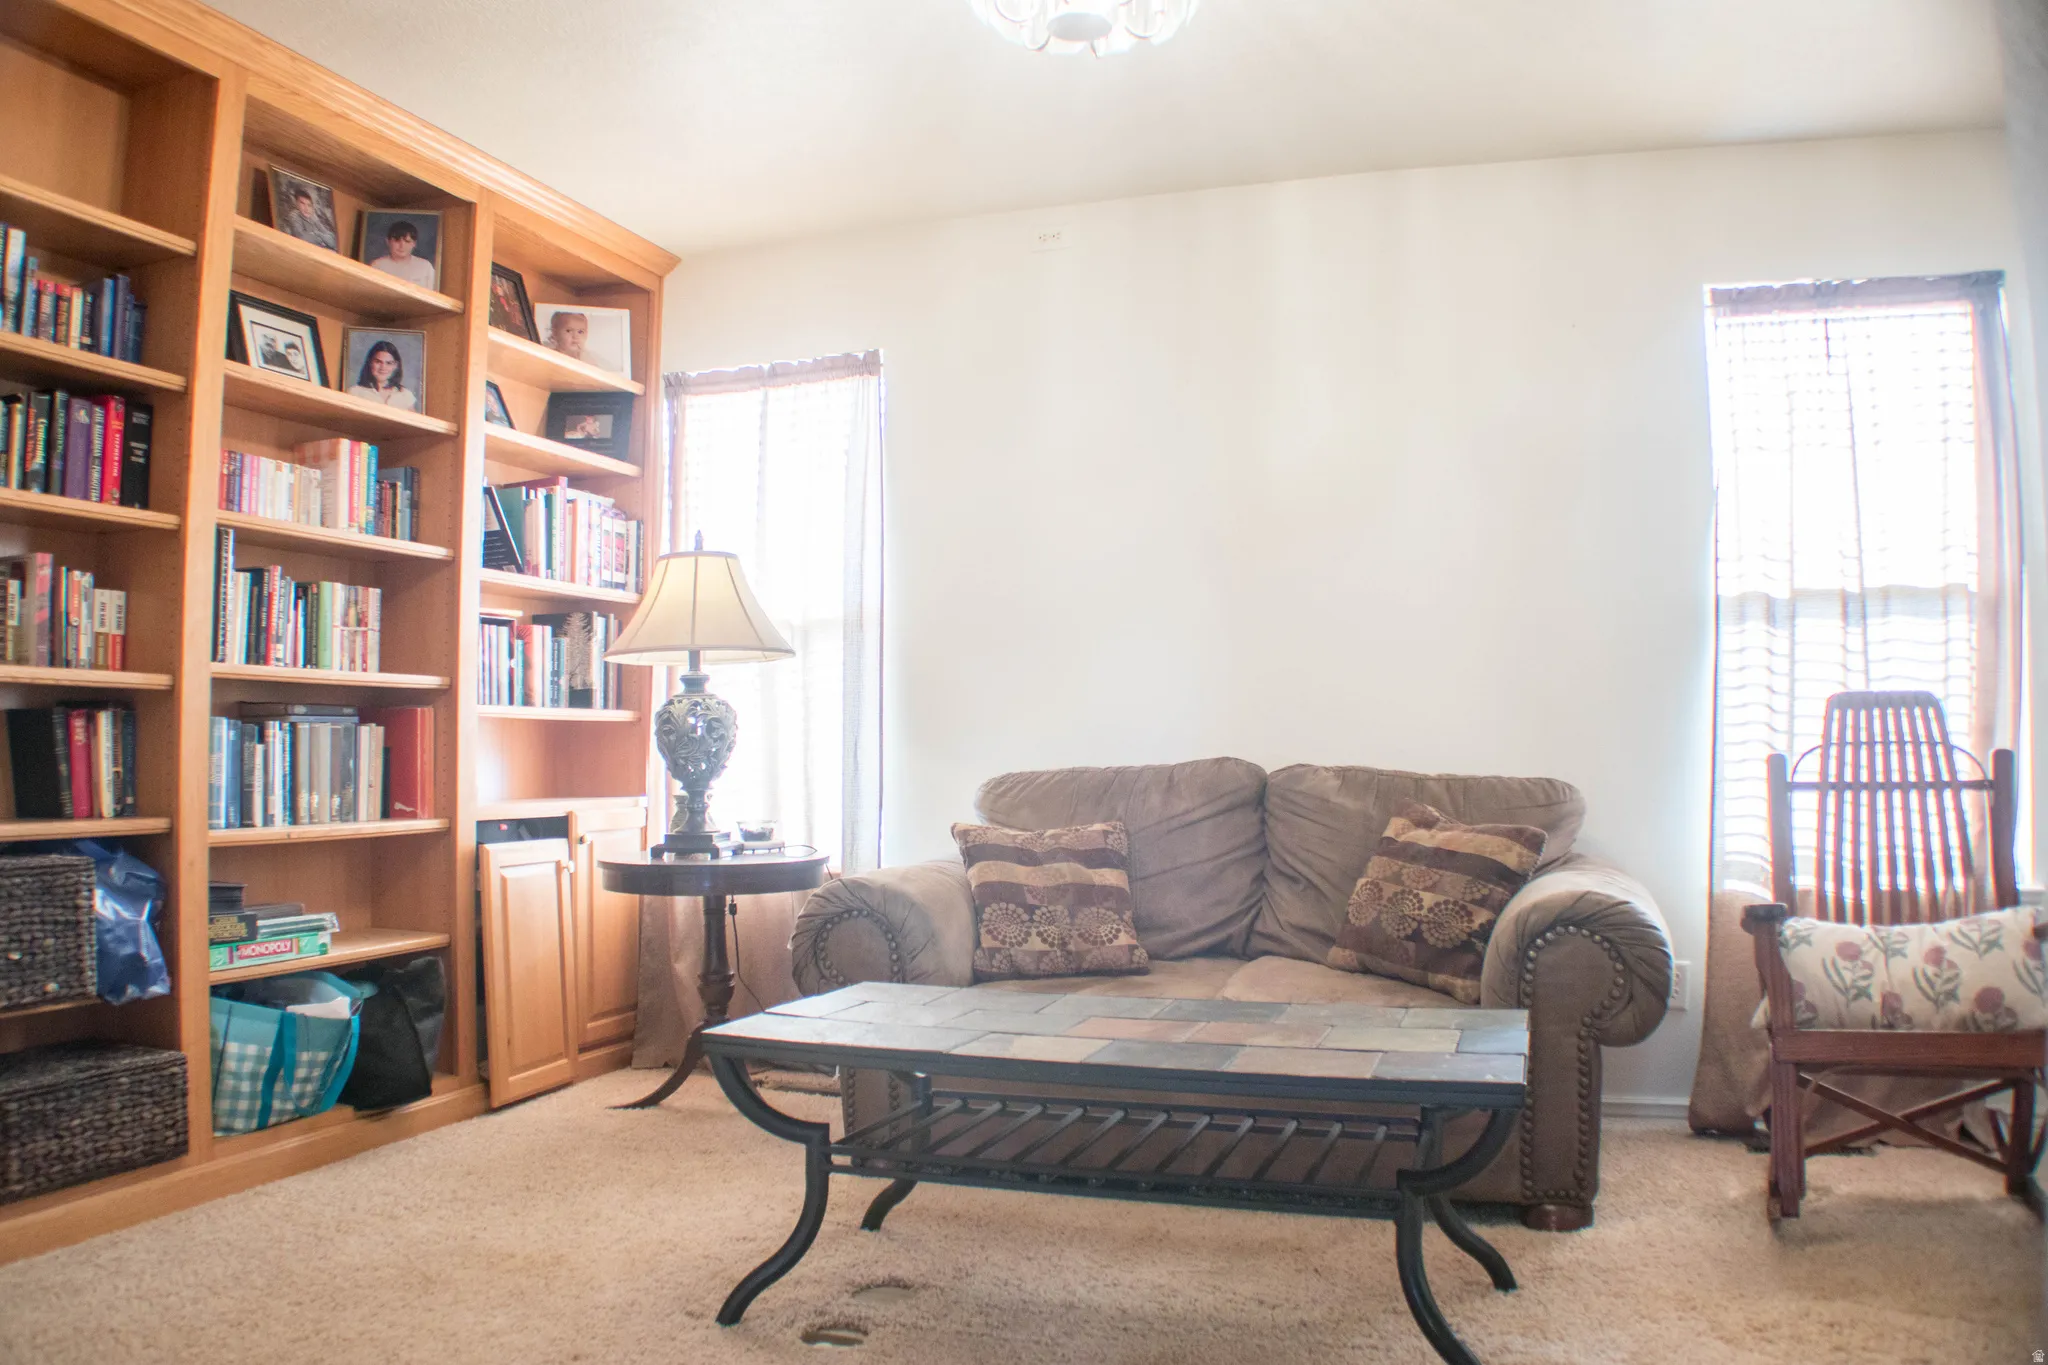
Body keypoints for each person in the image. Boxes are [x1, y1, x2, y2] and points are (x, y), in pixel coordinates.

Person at [347, 340, 418, 411]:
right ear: (370, 363)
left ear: (396, 365)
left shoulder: (405, 394)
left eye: (389, 363)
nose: (383, 367)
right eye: (378, 362)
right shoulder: (355, 392)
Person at [367, 220, 435, 288]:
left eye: (407, 241)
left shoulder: (425, 267)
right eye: (397, 241)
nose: (402, 246)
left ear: (414, 243)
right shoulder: (377, 265)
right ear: (388, 241)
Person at [278, 185, 337, 250]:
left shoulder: (313, 217)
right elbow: (301, 238)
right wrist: (322, 238)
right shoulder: (294, 216)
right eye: (302, 203)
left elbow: (332, 241)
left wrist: (318, 234)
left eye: (309, 205)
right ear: (296, 204)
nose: (306, 208)